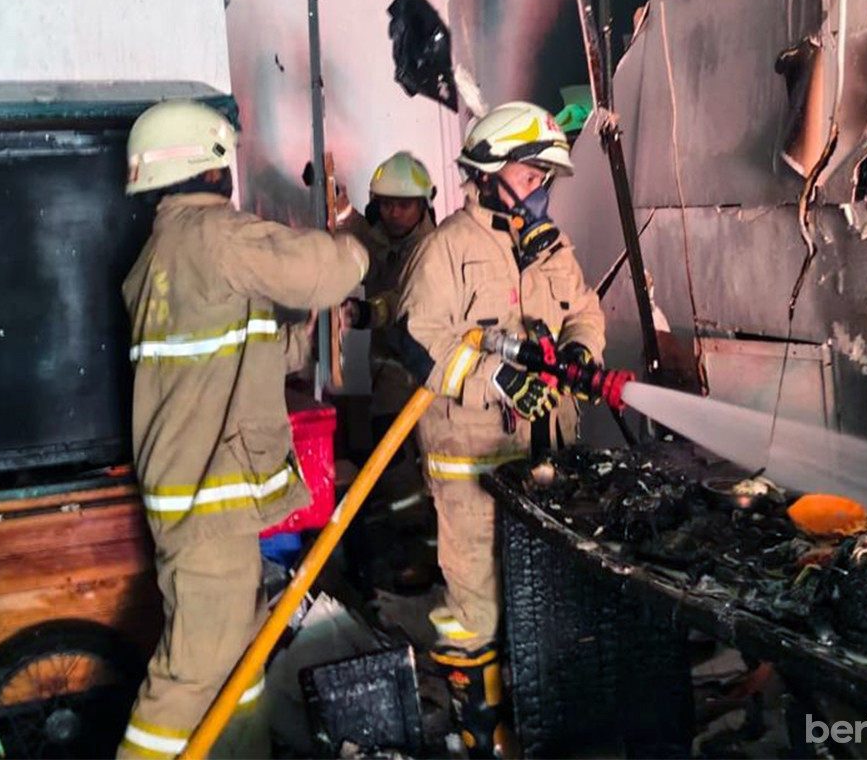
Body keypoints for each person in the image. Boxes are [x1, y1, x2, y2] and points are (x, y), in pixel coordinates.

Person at [117, 100, 369, 759]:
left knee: (237, 665)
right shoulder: (213, 235)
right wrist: (355, 249)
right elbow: (322, 269)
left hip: (200, 500)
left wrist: (304, 340)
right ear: (207, 164)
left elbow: (226, 356)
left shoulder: (164, 254)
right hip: (208, 504)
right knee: (191, 674)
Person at [395, 101, 606, 757]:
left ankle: (545, 724)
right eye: (529, 174)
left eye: (545, 178)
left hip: (546, 463)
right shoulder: (445, 248)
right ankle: (480, 733)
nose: (540, 189)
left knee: (548, 598)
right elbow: (417, 340)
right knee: (476, 607)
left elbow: (585, 311)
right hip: (473, 467)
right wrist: (495, 378)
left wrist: (581, 351)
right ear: (488, 172)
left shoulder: (550, 248)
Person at [336, 151, 439, 590]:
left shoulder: (431, 249)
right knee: (393, 460)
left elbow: (402, 300)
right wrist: (340, 206)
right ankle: (411, 544)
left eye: (404, 205)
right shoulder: (385, 236)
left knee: (408, 462)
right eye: (387, 204)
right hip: (389, 374)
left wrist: (363, 313)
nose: (394, 213)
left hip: (420, 372)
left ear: (423, 205)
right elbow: (365, 239)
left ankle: (425, 552)